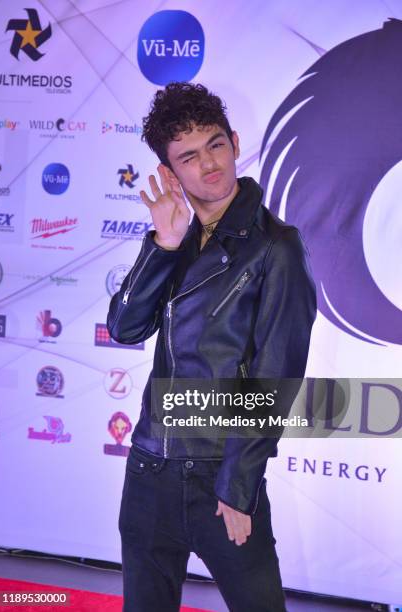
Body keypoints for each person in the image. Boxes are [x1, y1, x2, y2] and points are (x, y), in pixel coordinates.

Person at [107, 82, 316, 612]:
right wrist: (163, 246)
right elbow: (126, 328)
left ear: (236, 141)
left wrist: (239, 487)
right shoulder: (172, 234)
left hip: (219, 473)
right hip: (150, 470)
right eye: (189, 156)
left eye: (215, 144)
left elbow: (274, 378)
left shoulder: (276, 247)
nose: (209, 164)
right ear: (170, 172)